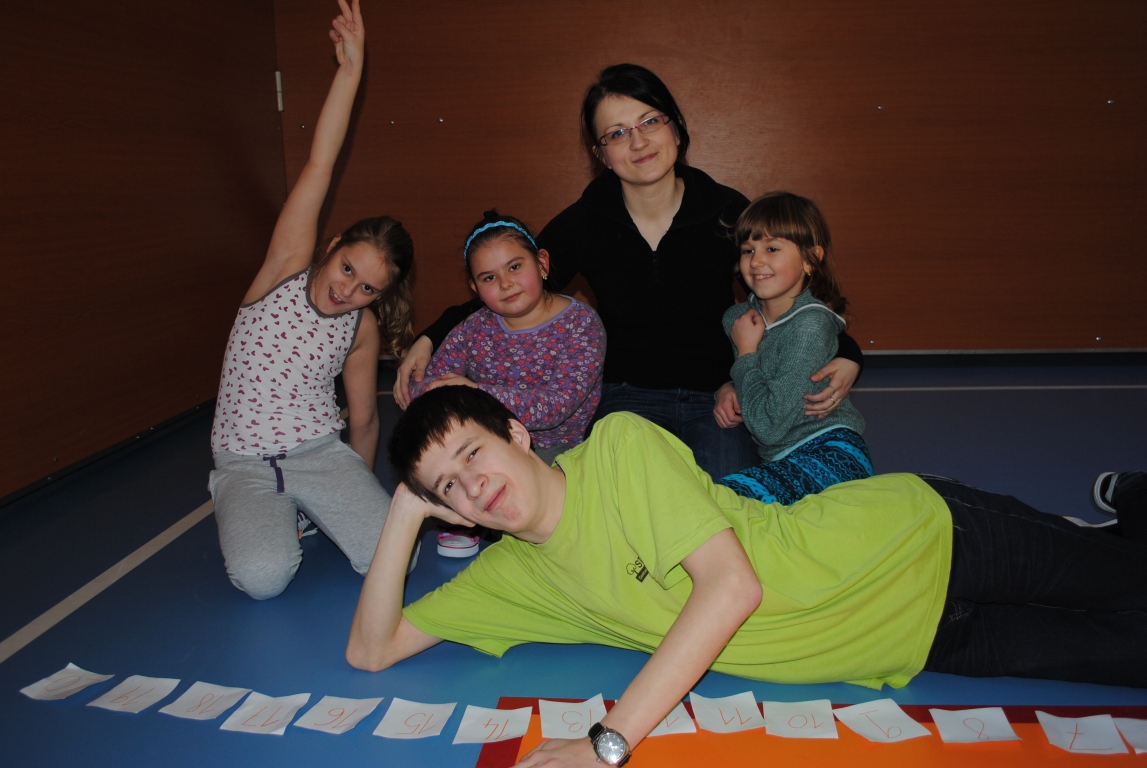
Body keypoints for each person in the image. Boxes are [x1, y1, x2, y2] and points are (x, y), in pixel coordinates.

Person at [347, 387, 1147, 767]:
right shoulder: (511, 579)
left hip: (923, 537)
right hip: (918, 640)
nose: (473, 485)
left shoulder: (617, 448)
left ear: (518, 433)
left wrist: (606, 743)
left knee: (1126, 575)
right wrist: (405, 509)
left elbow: (731, 589)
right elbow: (371, 650)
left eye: (473, 453)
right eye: (448, 487)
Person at [393, 64, 864, 481]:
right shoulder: (583, 222)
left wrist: (847, 352)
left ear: (675, 127)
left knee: (729, 507)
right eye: (616, 133)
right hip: (625, 395)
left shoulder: (726, 211)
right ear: (600, 153)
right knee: (623, 507)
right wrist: (432, 335)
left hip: (719, 398)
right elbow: (512, 286)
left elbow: (789, 290)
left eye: (649, 122)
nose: (638, 142)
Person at [208, 0, 416, 600]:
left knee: (393, 560)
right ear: (330, 246)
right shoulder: (284, 270)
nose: (347, 289)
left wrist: (353, 492)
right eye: (347, 267)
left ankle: (311, 504)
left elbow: (364, 419)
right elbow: (321, 164)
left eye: (367, 288)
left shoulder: (360, 327)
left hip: (319, 452)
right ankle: (259, 508)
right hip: (244, 460)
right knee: (263, 579)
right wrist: (349, 72)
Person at [409, 210, 605, 467]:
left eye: (514, 267)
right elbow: (424, 382)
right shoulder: (474, 327)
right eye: (489, 278)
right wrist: (432, 389)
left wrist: (474, 395)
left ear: (542, 263)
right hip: (486, 440)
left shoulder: (581, 323)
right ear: (475, 288)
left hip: (557, 449)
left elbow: (555, 407)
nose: (505, 283)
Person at [715, 192, 872, 504]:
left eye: (772, 248)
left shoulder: (810, 325)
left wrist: (746, 354)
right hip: (781, 459)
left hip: (832, 454)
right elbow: (751, 382)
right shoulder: (737, 318)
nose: (756, 261)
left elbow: (768, 427)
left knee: (723, 500)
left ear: (810, 259)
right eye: (748, 250)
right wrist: (729, 385)